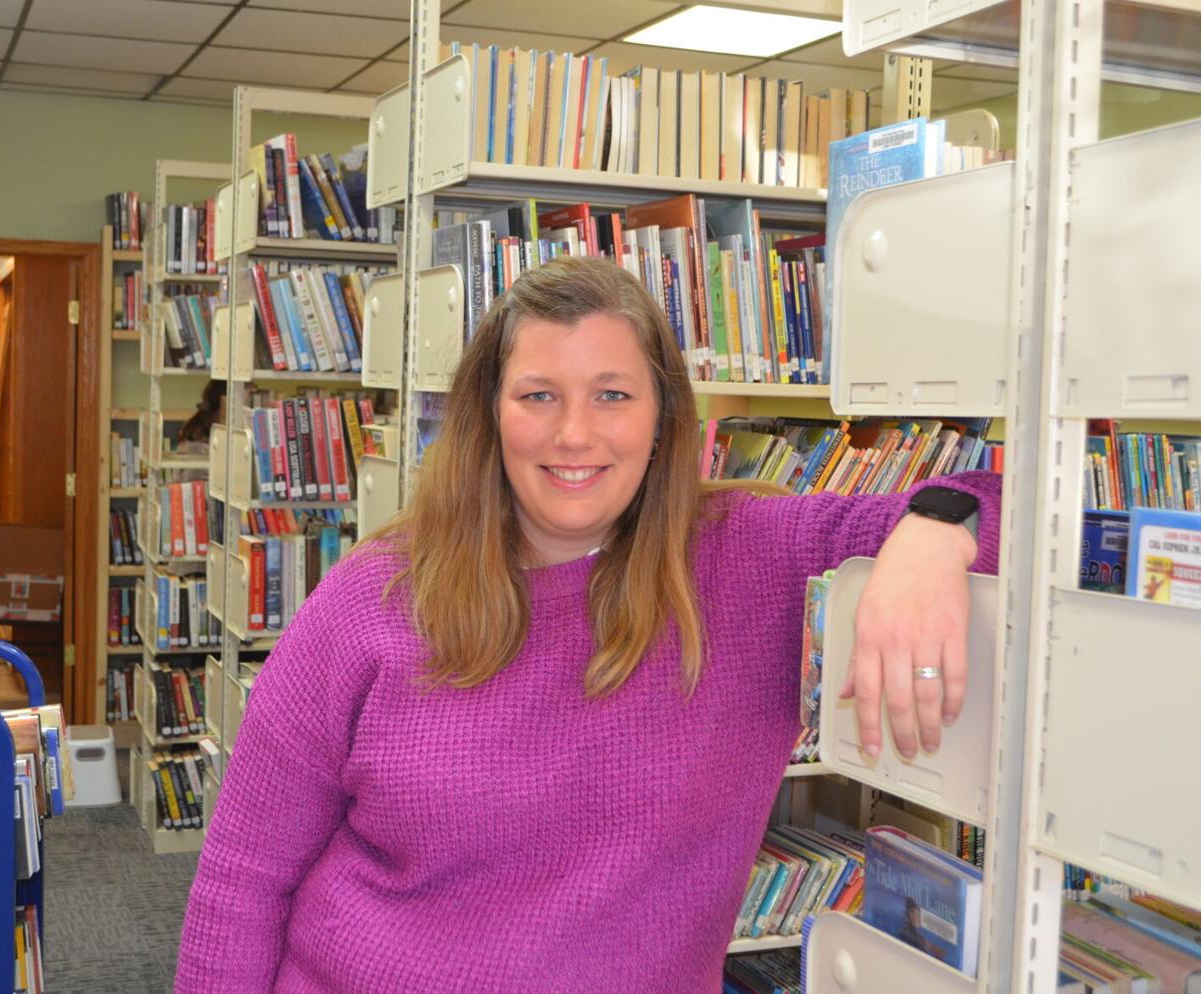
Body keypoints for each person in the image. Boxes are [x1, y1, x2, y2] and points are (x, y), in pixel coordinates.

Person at [173, 257, 1000, 993]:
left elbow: (1043, 515)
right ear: (489, 416)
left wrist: (934, 533)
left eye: (612, 395)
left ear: (664, 416)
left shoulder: (756, 558)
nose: (575, 434)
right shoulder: (375, 597)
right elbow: (244, 878)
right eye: (539, 396)